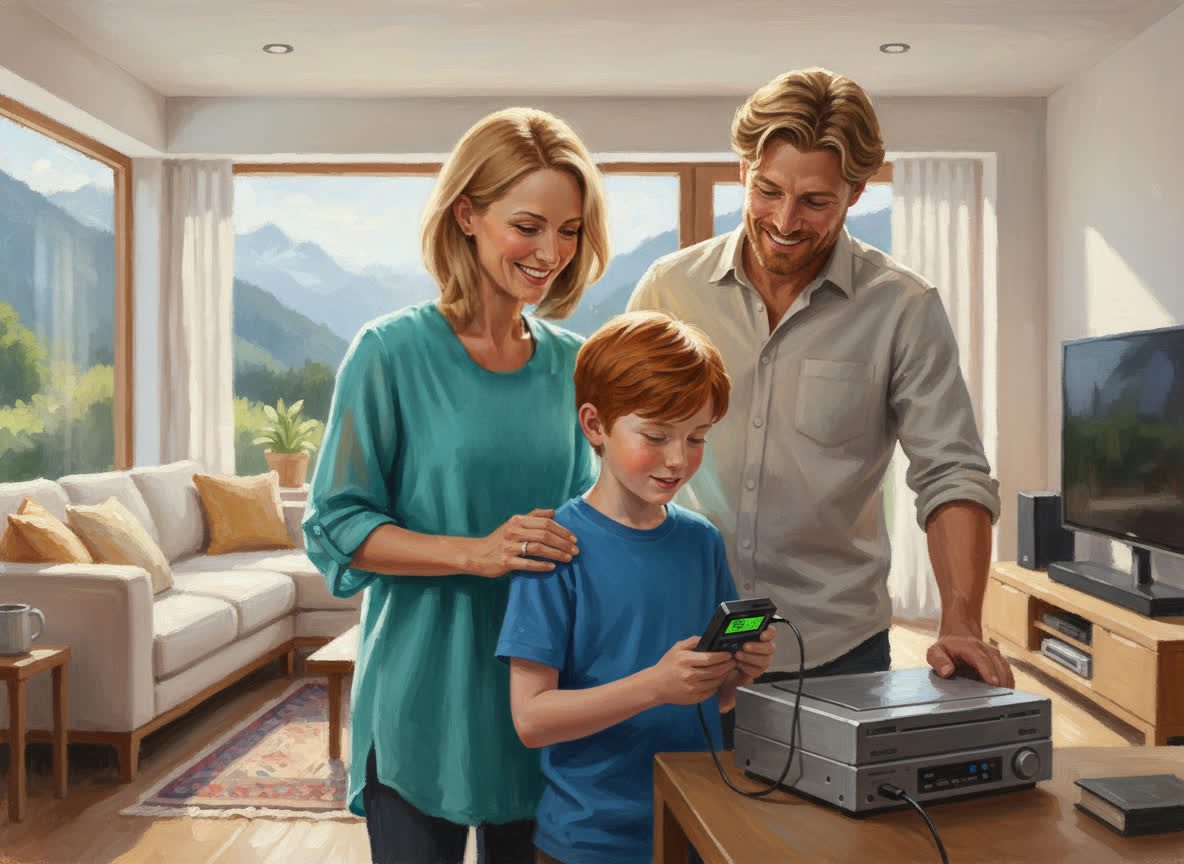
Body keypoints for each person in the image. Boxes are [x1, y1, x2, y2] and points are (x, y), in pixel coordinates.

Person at [626, 67, 1014, 700]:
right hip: (681, 637)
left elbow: (952, 471)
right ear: (743, 168)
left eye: (815, 201)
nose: (785, 220)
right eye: (767, 190)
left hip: (836, 648)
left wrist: (962, 624)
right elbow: (616, 451)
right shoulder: (669, 290)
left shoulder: (903, 307)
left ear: (856, 192)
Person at [302, 107, 610, 864]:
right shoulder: (389, 352)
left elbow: (591, 524)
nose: (551, 253)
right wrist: (474, 553)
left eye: (569, 232)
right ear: (467, 214)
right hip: (420, 697)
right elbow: (337, 522)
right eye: (529, 226)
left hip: (537, 701)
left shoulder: (574, 365)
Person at [495, 311, 777, 864]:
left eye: (696, 437)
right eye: (655, 435)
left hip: (694, 825)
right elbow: (531, 720)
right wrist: (655, 684)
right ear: (595, 426)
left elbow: (714, 701)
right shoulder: (555, 548)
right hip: (587, 842)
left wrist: (738, 672)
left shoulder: (701, 542)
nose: (678, 459)